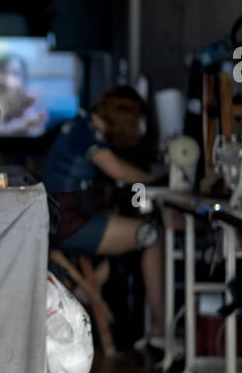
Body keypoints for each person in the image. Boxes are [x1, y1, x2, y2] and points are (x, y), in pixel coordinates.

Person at [43, 85, 165, 341]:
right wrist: (160, 180)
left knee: (135, 236)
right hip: (69, 224)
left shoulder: (80, 125)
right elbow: (119, 172)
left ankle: (87, 289)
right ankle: (160, 327)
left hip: (60, 220)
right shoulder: (85, 133)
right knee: (149, 235)